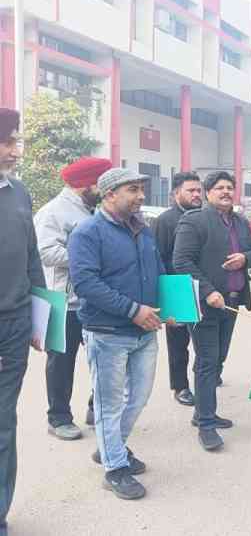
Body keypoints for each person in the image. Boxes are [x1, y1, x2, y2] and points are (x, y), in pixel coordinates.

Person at [69, 168, 166, 501]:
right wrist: (133, 311)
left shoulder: (142, 229)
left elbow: (157, 271)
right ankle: (114, 469)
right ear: (109, 194)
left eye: (141, 190)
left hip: (145, 331)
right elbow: (86, 285)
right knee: (109, 405)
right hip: (108, 332)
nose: (141, 196)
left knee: (137, 398)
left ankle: (109, 448)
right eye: (133, 190)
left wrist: (171, 308)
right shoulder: (87, 232)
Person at [173, 171, 251, 452]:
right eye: (220, 188)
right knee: (208, 361)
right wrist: (208, 291)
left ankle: (203, 411)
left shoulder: (239, 222)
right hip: (205, 305)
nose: (226, 192)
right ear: (208, 192)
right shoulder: (194, 220)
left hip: (233, 303)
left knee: (218, 359)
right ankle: (206, 425)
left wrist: (244, 258)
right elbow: (181, 261)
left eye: (230, 187)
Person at [35, 157, 112, 441]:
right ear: (87, 185)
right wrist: (87, 259)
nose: (105, 191)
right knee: (61, 362)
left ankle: (96, 408)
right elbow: (45, 252)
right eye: (101, 185)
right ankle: (58, 418)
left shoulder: (94, 210)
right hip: (61, 300)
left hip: (93, 299)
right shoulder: (53, 212)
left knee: (104, 356)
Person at [0, 108, 46, 535]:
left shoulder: (19, 192)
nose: (16, 151)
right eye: (9, 141)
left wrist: (39, 318)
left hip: (13, 323)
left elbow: (32, 256)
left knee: (3, 420)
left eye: (17, 141)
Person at [152, 172, 203, 406]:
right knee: (179, 342)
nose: (196, 194)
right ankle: (180, 385)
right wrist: (164, 298)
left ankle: (207, 374)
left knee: (207, 337)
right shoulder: (165, 221)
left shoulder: (205, 216)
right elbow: (158, 257)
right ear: (176, 194)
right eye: (190, 190)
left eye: (198, 190)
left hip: (204, 286)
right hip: (177, 287)